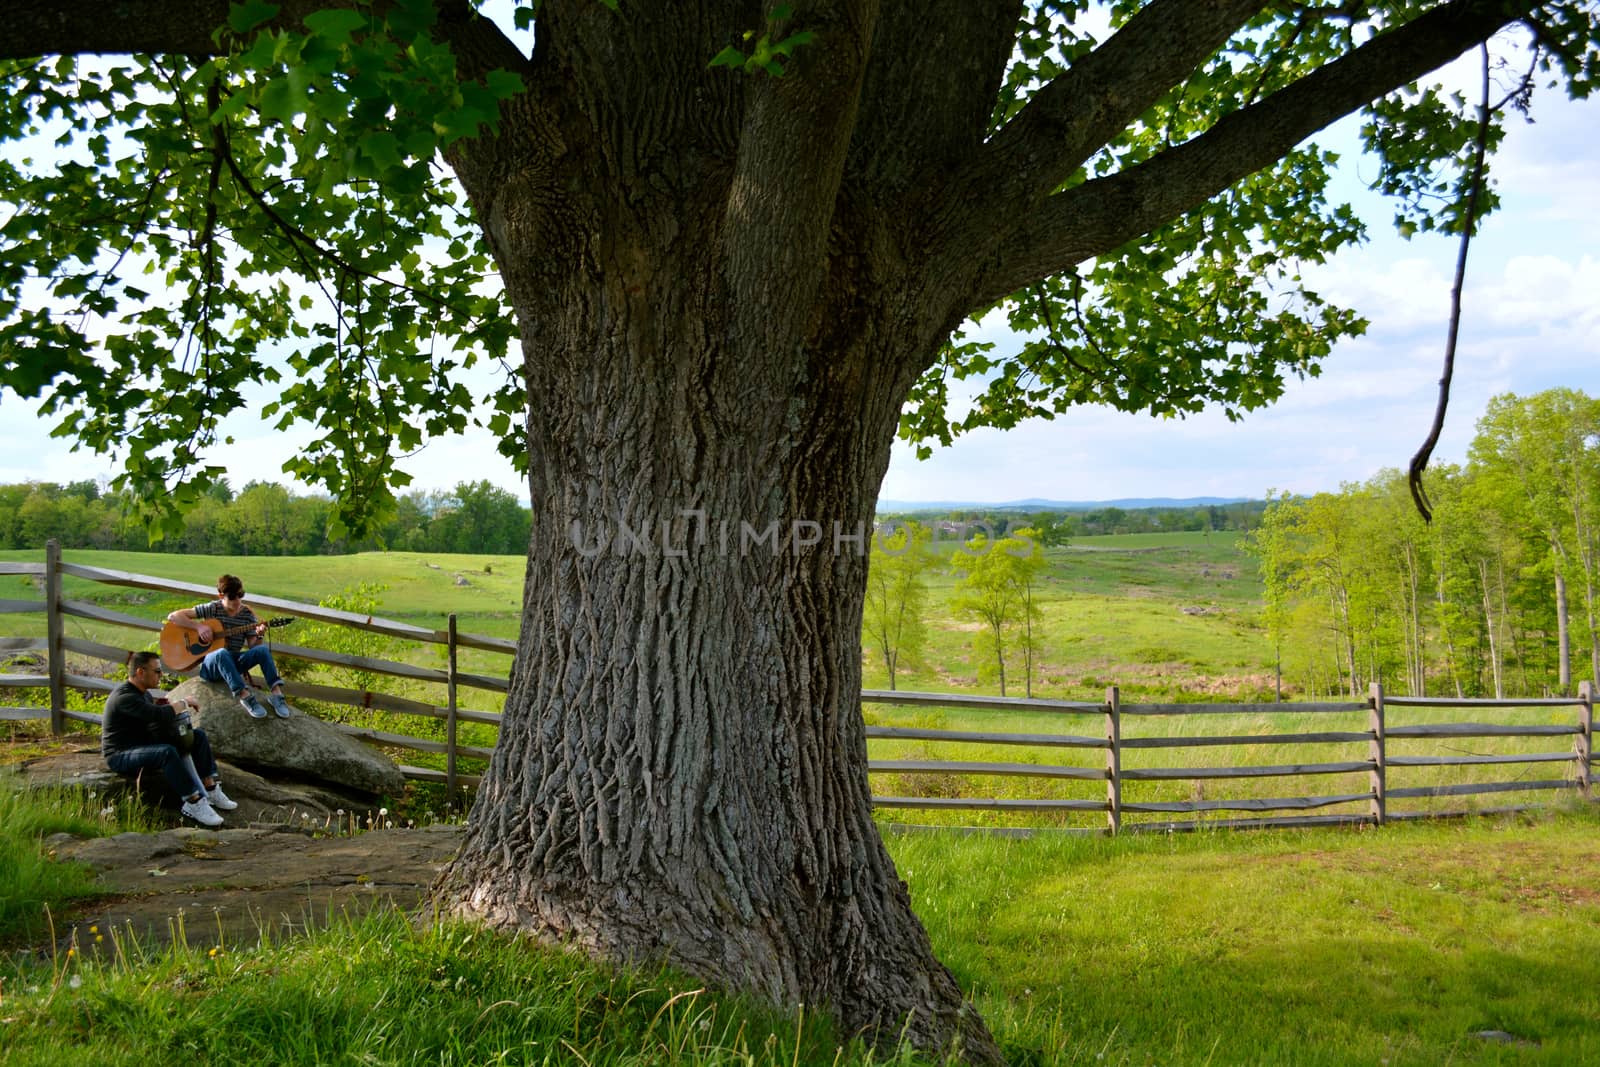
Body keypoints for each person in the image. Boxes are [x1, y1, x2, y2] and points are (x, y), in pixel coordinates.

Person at [102, 651, 237, 828]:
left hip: (143, 745)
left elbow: (154, 718)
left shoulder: (143, 694)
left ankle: (210, 789)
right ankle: (193, 802)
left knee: (197, 736)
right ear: (141, 672)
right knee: (166, 752)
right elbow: (155, 715)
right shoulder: (124, 697)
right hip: (121, 755)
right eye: (157, 671)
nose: (161, 674)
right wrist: (184, 702)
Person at [167, 573, 292, 719]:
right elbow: (173, 616)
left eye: (240, 594)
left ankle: (277, 695)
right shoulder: (212, 608)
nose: (237, 600)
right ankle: (245, 697)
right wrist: (198, 627)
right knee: (221, 652)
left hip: (233, 663)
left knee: (262, 650)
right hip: (211, 666)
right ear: (221, 596)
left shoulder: (247, 615)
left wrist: (259, 635)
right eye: (232, 596)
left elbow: (253, 647)